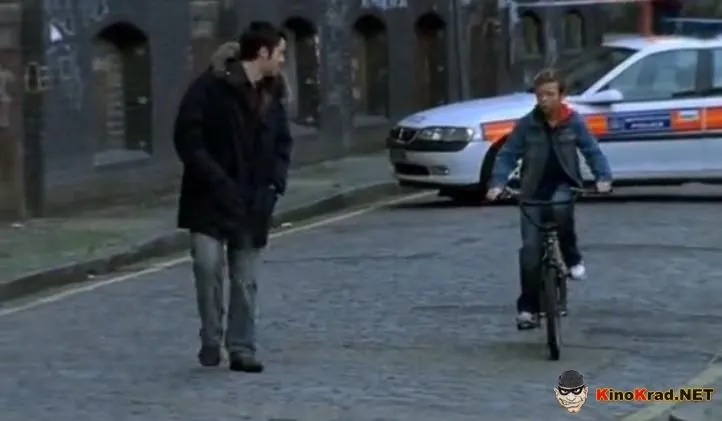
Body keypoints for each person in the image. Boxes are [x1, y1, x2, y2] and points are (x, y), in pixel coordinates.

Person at [173, 21, 291, 372]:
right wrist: (216, 180)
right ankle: (211, 338)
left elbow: (283, 144)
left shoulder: (273, 95)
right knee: (206, 267)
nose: (282, 60)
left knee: (245, 280)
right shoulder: (209, 87)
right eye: (280, 53)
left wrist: (274, 185)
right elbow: (187, 139)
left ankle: (241, 348)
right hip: (208, 198)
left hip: (253, 201)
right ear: (263, 52)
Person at [485, 68, 612, 330]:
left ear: (561, 95)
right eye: (540, 95)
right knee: (530, 252)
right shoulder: (527, 124)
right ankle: (527, 309)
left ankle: (572, 257)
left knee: (560, 207)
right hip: (532, 189)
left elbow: (592, 151)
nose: (544, 100)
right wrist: (497, 184)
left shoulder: (574, 122)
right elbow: (508, 154)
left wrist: (603, 178)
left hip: (564, 184)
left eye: (550, 94)